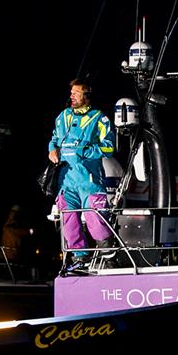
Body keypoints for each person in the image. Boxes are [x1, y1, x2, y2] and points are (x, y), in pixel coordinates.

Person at [48, 79, 117, 273]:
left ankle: (108, 255)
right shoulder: (62, 117)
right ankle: (80, 258)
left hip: (90, 182)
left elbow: (110, 147)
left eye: (76, 93)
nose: (72, 96)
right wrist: (52, 149)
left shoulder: (99, 118)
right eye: (71, 93)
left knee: (95, 219)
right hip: (65, 181)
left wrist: (86, 150)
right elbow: (53, 139)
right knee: (69, 220)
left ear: (86, 95)